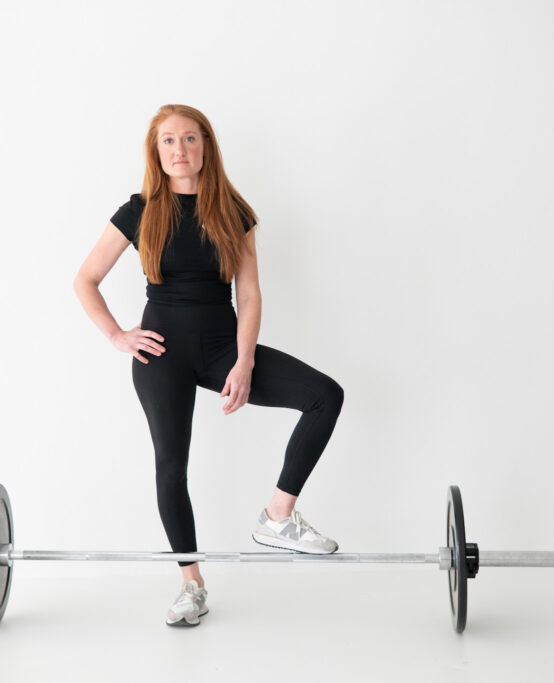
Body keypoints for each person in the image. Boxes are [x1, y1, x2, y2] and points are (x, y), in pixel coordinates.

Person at [74, 104, 344, 627]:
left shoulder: (231, 209)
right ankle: (191, 584)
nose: (180, 150)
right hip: (162, 354)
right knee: (171, 468)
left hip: (223, 349)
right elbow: (85, 279)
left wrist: (243, 363)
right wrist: (117, 335)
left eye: (191, 139)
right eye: (169, 141)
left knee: (324, 396)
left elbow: (250, 294)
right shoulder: (138, 210)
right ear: (157, 152)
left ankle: (278, 517)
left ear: (206, 147)